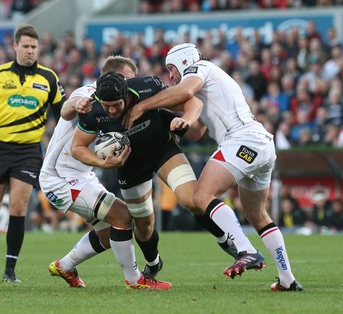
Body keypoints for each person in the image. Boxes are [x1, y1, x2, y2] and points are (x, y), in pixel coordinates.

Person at [125, 43, 303, 292]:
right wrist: (178, 121)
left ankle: (247, 251)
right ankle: (288, 279)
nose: (171, 76)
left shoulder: (200, 68)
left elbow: (183, 91)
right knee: (258, 215)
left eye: (172, 69)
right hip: (259, 143)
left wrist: (142, 105)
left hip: (242, 140)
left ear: (184, 61)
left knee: (201, 196)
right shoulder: (205, 81)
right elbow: (198, 133)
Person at [71, 70, 244, 281]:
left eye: (117, 104)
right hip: (130, 165)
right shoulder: (92, 109)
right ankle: (153, 264)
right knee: (144, 226)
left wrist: (186, 120)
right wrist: (103, 162)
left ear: (126, 93)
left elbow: (192, 102)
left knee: (192, 199)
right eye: (107, 106)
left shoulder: (147, 87)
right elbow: (77, 147)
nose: (112, 110)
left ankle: (226, 240)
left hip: (162, 149)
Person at [39, 56, 171, 290]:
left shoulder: (122, 104)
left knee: (108, 234)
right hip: (59, 178)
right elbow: (69, 108)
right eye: (129, 78)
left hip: (83, 176)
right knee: (122, 216)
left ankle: (64, 266)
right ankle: (135, 280)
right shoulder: (90, 93)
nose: (133, 85)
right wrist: (77, 104)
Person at [0, 24, 66, 283]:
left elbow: (62, 114)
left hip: (28, 151)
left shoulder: (49, 78)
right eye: (26, 46)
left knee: (18, 207)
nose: (30, 51)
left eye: (34, 47)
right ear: (15, 47)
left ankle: (10, 270)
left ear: (38, 48)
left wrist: (59, 144)